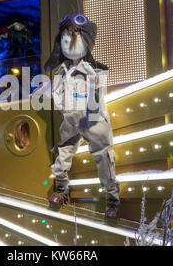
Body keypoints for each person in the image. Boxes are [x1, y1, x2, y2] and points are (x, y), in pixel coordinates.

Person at [43, 14, 120, 219]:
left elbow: (96, 95)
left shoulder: (93, 70)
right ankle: (61, 190)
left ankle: (112, 200)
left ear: (86, 42)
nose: (67, 44)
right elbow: (55, 90)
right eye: (64, 39)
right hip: (70, 120)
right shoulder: (62, 71)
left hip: (92, 120)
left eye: (72, 39)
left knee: (104, 158)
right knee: (62, 156)